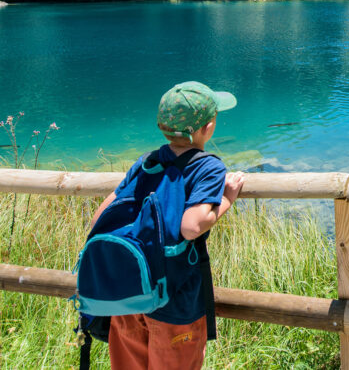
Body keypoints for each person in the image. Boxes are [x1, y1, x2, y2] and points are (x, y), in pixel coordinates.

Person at [88, 82, 245, 370]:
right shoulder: (207, 167)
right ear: (208, 127)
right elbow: (192, 226)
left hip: (128, 295)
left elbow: (101, 217)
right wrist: (226, 199)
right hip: (175, 302)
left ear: (163, 125)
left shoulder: (147, 161)